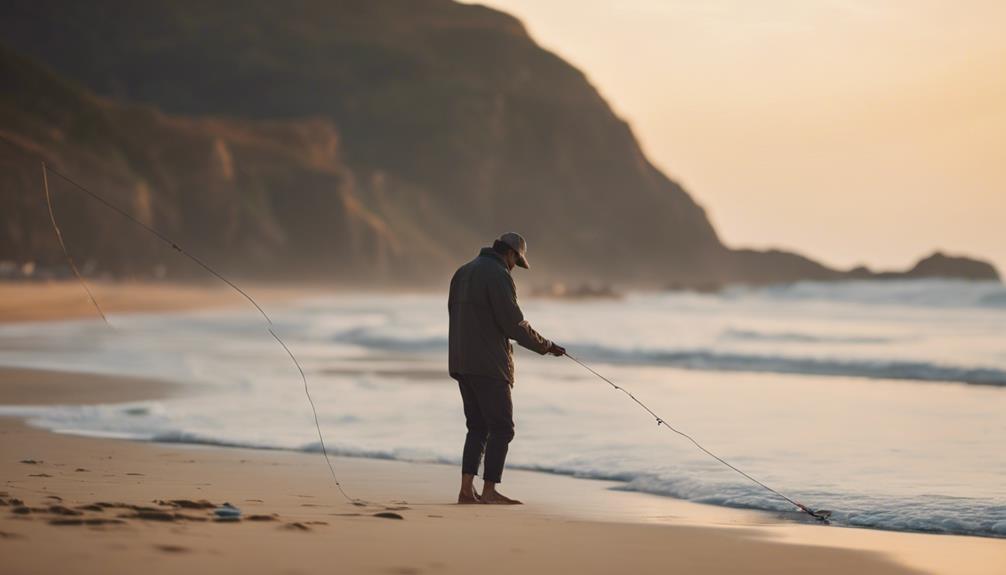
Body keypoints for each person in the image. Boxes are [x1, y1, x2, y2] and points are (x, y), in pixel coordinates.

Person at [448, 232, 565, 505]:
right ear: (510, 253)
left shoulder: (462, 272)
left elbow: (455, 314)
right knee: (502, 428)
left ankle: (467, 490)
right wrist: (546, 346)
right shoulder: (499, 275)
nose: (515, 267)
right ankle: (489, 491)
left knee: (477, 426)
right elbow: (514, 325)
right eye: (516, 261)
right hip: (488, 363)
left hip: (460, 360)